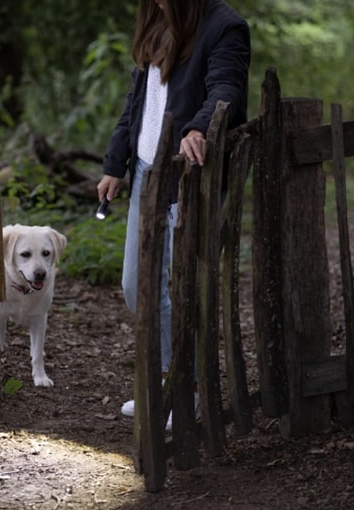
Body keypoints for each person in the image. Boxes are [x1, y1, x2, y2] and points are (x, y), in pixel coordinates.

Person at [96, 0, 250, 423]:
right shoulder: (158, 21)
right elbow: (138, 104)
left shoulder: (225, 26)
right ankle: (167, 378)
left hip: (190, 175)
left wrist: (198, 127)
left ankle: (186, 388)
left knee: (180, 287)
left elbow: (226, 88)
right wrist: (115, 165)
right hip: (146, 172)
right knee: (136, 284)